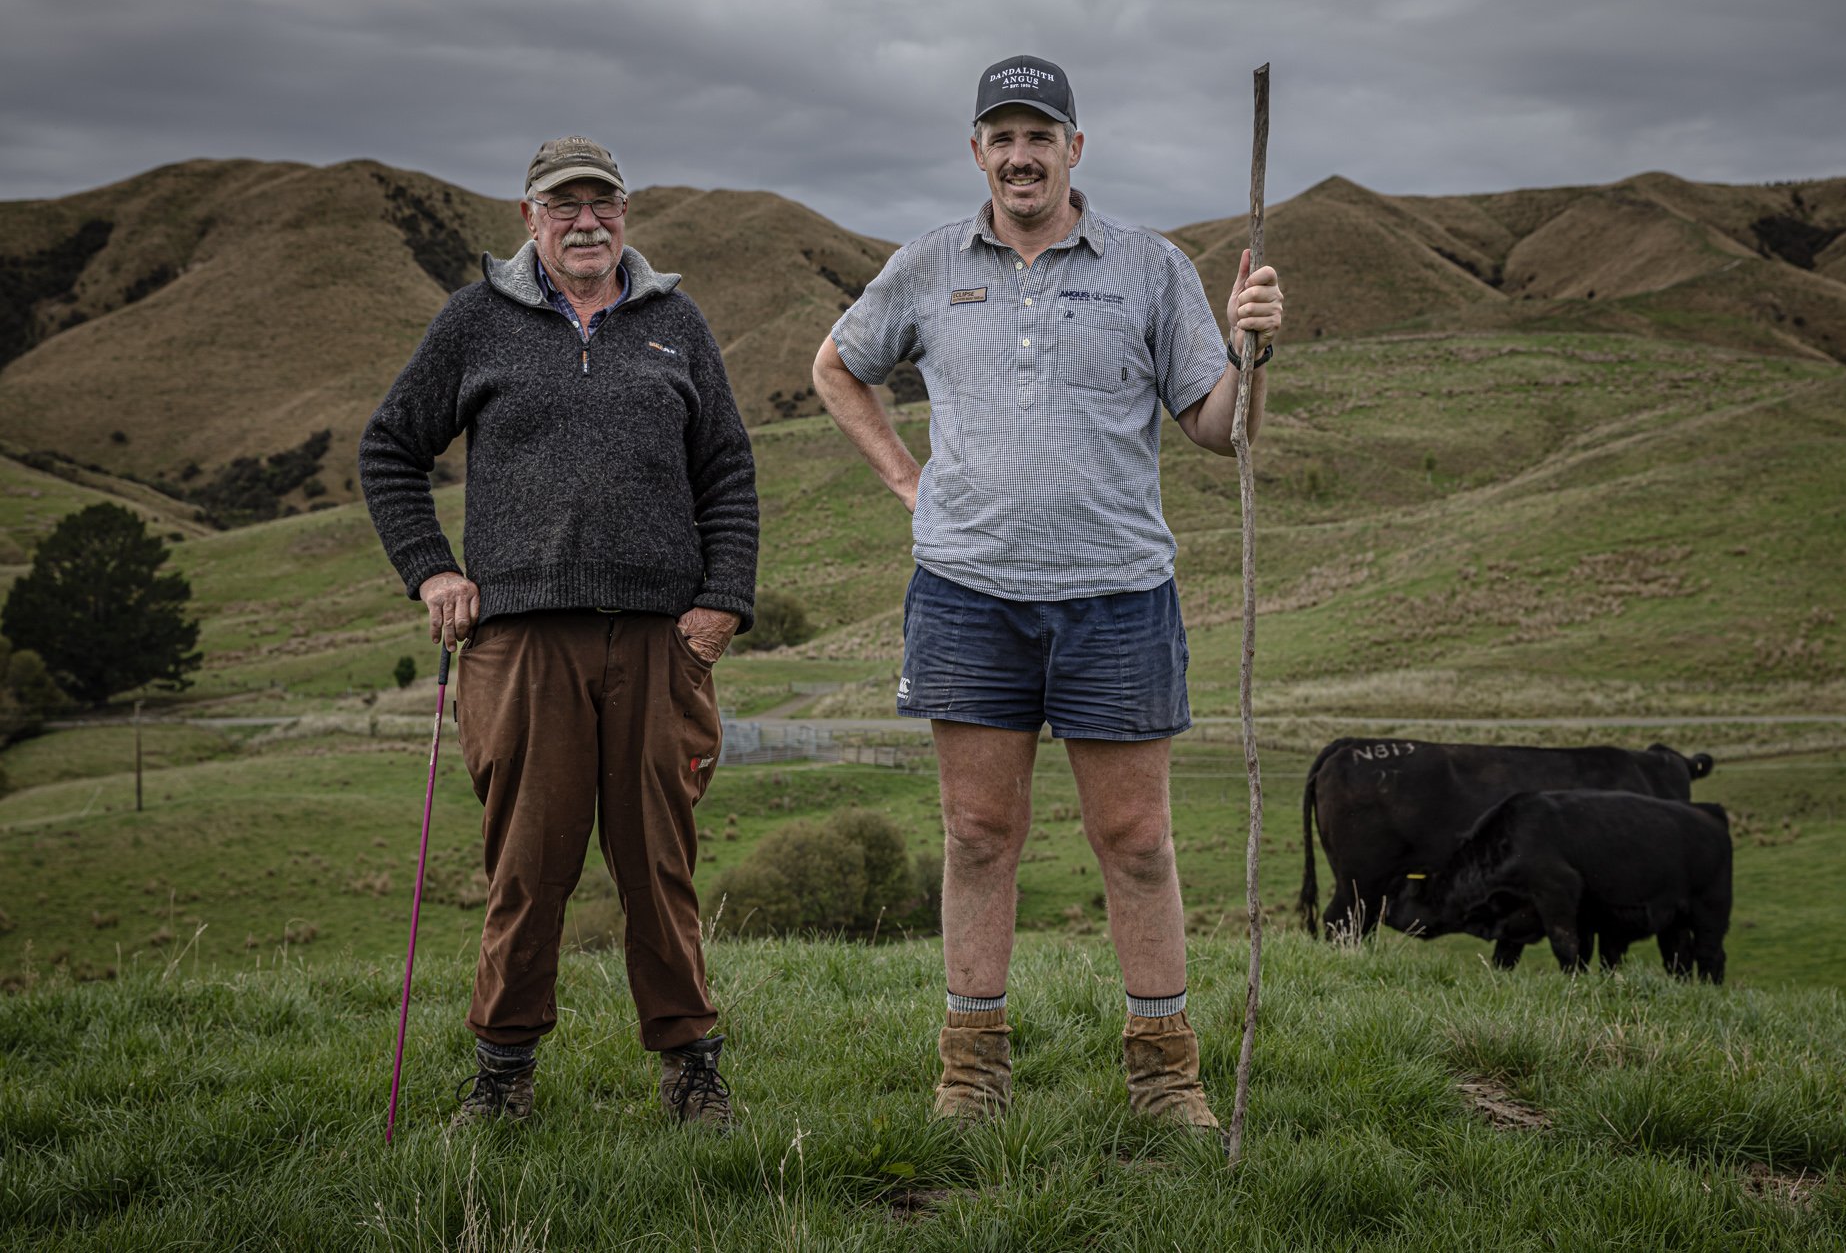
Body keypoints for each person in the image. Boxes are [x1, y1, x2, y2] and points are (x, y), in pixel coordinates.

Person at [812, 57, 1283, 1126]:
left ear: (1075, 147)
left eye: (1039, 136)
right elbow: (837, 366)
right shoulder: (929, 264)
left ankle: (1164, 1075)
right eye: (1002, 137)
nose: (1020, 157)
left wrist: (1252, 351)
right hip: (968, 594)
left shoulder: (1150, 268)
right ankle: (971, 1072)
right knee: (978, 833)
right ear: (977, 151)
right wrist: (909, 483)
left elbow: (1219, 430)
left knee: (1137, 840)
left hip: (1117, 596)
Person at [360, 135, 758, 1130]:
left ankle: (692, 1069)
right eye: (564, 204)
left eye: (603, 202)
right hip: (523, 642)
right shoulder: (475, 321)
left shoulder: (676, 323)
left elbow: (727, 470)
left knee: (658, 864)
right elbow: (390, 448)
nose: (587, 221)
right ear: (529, 216)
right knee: (529, 867)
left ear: (625, 211)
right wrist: (433, 568)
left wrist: (722, 602)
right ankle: (502, 1076)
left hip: (660, 640)